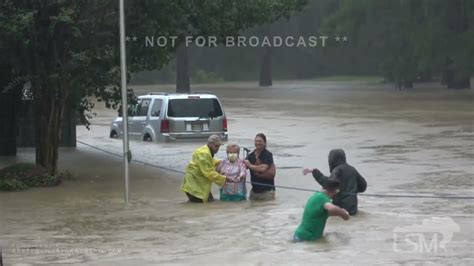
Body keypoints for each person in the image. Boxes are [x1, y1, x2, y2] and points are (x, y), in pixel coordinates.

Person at [303, 148, 367, 215]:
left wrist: (315, 172)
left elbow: (330, 184)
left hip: (340, 209)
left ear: (332, 160)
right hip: (353, 208)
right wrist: (352, 190)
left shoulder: (337, 170)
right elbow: (363, 186)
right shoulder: (352, 169)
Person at [181, 135, 236, 203]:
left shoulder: (206, 150)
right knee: (200, 205)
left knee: (209, 202)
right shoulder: (204, 153)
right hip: (194, 185)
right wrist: (225, 178)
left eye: (218, 146)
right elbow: (209, 173)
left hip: (198, 182)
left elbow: (209, 161)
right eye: (216, 146)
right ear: (210, 144)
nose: (217, 148)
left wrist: (221, 162)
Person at [293, 177, 350, 242]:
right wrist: (344, 214)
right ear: (335, 191)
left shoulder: (316, 196)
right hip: (307, 238)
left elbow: (322, 213)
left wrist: (340, 211)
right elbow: (332, 208)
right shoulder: (323, 198)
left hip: (300, 235)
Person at [244, 133, 276, 201]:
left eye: (260, 141)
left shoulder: (268, 154)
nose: (258, 143)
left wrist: (249, 165)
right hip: (254, 192)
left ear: (265, 143)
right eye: (256, 141)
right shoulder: (250, 156)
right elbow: (242, 168)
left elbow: (263, 168)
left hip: (267, 192)